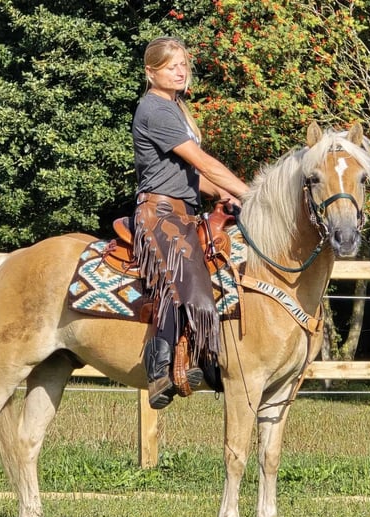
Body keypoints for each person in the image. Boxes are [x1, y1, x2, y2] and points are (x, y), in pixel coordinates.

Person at [132, 36, 249, 409]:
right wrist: (250, 194)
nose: (181, 71)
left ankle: (202, 354)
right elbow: (202, 162)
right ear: (151, 73)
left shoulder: (177, 107)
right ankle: (160, 367)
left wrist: (222, 194)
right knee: (186, 277)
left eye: (183, 64)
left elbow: (193, 176)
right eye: (171, 66)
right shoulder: (156, 109)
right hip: (161, 213)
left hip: (185, 208)